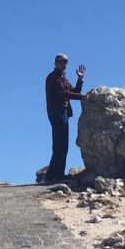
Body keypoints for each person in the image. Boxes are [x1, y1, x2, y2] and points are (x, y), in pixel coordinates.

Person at [43, 53, 86, 183]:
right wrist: (82, 97)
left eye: (65, 62)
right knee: (59, 143)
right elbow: (63, 93)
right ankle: (56, 175)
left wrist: (80, 79)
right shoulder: (53, 77)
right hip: (57, 111)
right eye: (60, 62)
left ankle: (53, 175)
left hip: (63, 112)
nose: (63, 64)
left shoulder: (63, 78)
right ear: (55, 63)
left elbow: (74, 91)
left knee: (62, 143)